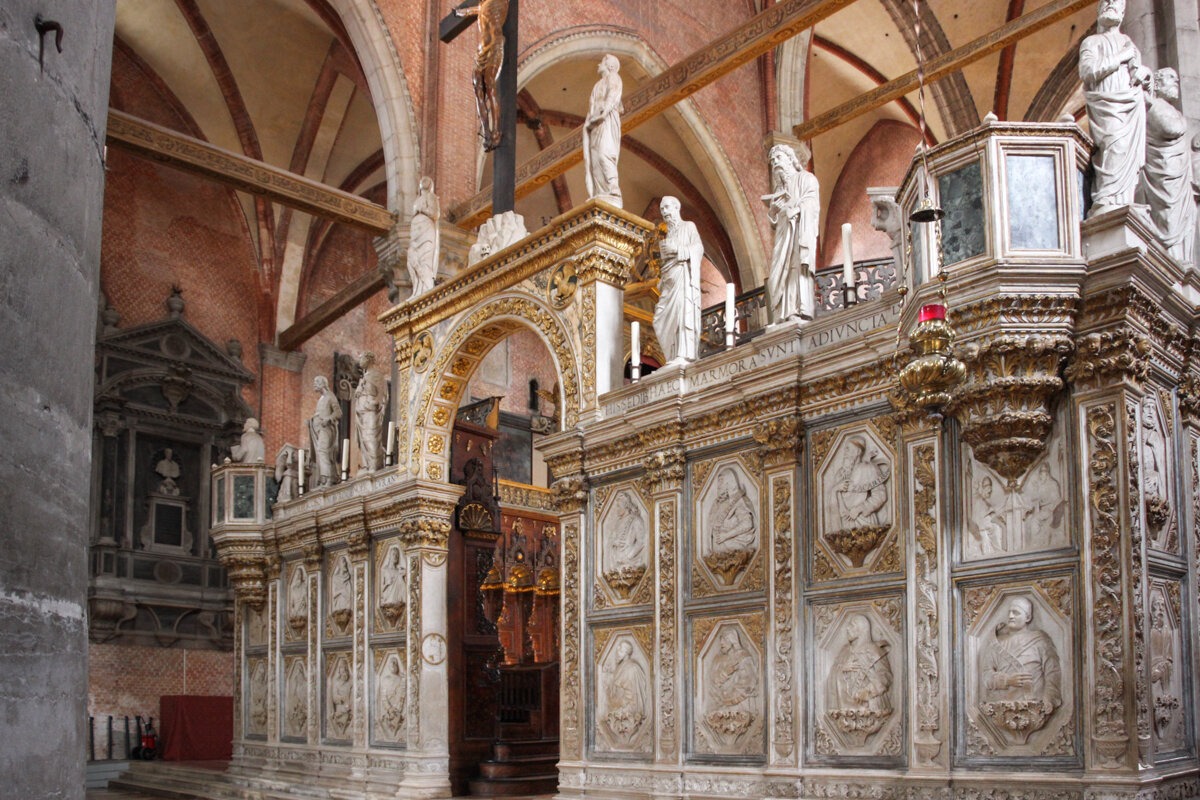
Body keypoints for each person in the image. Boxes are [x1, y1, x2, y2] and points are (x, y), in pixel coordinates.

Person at [1079, 0, 1151, 216]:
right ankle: (1107, 199)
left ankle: (1122, 200)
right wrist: (1121, 57)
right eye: (1106, 2)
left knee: (1127, 152)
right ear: (1098, 10)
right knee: (1113, 146)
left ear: (1122, 11)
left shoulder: (1129, 43)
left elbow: (1142, 79)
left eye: (1115, 2)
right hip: (1106, 102)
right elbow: (1087, 71)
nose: (1110, 4)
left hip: (1130, 104)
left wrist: (1145, 76)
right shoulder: (1091, 42)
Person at [1141, 69, 1195, 265]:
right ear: (1157, 83)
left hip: (1179, 172)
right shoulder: (1153, 106)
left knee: (1185, 216)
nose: (1177, 81)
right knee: (1168, 216)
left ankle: (1181, 258)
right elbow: (1170, 129)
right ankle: (1170, 259)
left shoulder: (1167, 108)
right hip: (1164, 169)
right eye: (1171, 78)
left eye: (1177, 78)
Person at [979, 597, 1062, 724]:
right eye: (1009, 612)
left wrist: (1049, 699)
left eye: (1016, 612)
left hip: (1035, 709)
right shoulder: (996, 645)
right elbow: (986, 675)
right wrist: (1007, 680)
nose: (1010, 616)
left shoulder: (1041, 641)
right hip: (1003, 710)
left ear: (1028, 617)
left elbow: (1052, 673)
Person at [763, 143, 820, 323]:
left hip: (798, 233)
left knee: (796, 268)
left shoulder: (806, 178)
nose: (775, 163)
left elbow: (812, 203)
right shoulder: (779, 191)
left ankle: (798, 309)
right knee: (778, 274)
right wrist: (773, 212)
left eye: (779, 158)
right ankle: (783, 312)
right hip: (784, 236)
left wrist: (794, 210)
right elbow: (774, 220)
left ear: (790, 159)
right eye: (772, 161)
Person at [653, 196, 703, 363]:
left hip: (683, 278)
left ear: (677, 208)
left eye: (667, 208)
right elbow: (666, 263)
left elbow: (698, 248)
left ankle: (682, 354)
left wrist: (677, 249)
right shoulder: (669, 233)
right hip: (669, 280)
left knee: (682, 312)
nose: (664, 212)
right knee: (658, 320)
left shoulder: (688, 227)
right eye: (662, 210)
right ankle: (671, 356)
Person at [455, 0, 509, 150]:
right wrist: (458, 13)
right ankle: (486, 132)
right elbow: (465, 12)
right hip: (481, 50)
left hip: (495, 45)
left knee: (490, 86)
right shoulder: (481, 6)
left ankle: (497, 131)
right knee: (478, 89)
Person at [829, 614, 893, 720]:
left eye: (852, 626)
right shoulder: (844, 651)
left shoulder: (874, 650)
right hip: (845, 709)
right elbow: (832, 675)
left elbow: (885, 677)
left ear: (861, 630)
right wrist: (841, 670)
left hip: (871, 706)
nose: (847, 628)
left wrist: (867, 692)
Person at [583, 54, 624, 207]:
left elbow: (613, 96)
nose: (598, 65)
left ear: (610, 66)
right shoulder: (596, 85)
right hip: (595, 125)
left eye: (601, 62)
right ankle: (600, 192)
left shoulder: (613, 77)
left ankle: (613, 189)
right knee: (595, 161)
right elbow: (592, 105)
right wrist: (590, 120)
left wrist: (604, 113)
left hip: (606, 121)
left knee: (604, 154)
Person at [833, 436, 891, 529]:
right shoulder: (840, 474)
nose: (845, 453)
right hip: (844, 523)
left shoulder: (869, 468)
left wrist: (859, 509)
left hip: (864, 522)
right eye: (845, 449)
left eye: (848, 449)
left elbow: (880, 495)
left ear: (858, 452)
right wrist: (836, 489)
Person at [602, 639, 649, 746]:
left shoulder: (632, 668)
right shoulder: (621, 667)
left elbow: (632, 695)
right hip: (619, 710)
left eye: (620, 651)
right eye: (617, 651)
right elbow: (615, 691)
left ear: (626, 653)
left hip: (628, 709)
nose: (617, 654)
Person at [708, 628, 759, 715]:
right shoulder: (719, 659)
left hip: (740, 703)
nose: (721, 643)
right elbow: (714, 680)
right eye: (721, 640)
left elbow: (749, 680)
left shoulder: (743, 656)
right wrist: (726, 673)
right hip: (723, 702)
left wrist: (732, 695)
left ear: (732, 640)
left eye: (725, 639)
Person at [707, 468, 756, 554]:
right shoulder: (720, 503)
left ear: (729, 482)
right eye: (718, 481)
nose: (718, 485)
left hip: (733, 548)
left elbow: (747, 523)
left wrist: (725, 536)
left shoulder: (739, 500)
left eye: (721, 481)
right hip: (718, 553)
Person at [354, 352, 388, 472]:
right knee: (363, 438)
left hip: (370, 410)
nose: (360, 361)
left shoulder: (376, 375)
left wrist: (375, 402)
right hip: (362, 411)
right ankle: (367, 464)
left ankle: (375, 465)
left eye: (361, 358)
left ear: (369, 359)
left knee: (370, 437)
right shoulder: (364, 376)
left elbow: (382, 393)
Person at [407, 177, 440, 296]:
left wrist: (422, 210)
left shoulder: (431, 197)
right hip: (416, 234)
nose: (424, 181)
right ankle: (417, 289)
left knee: (424, 260)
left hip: (426, 232)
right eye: (422, 180)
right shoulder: (417, 199)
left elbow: (435, 214)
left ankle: (426, 289)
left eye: (427, 180)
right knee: (412, 260)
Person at [309, 376, 341, 487]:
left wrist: (328, 419)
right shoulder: (321, 399)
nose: (314, 384)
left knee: (322, 451)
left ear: (323, 383)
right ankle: (331, 476)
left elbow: (338, 412)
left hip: (326, 428)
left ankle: (326, 479)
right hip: (318, 430)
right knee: (322, 452)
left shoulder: (330, 396)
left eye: (317, 382)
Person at [606, 492, 646, 572]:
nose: (616, 509)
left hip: (629, 562)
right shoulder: (618, 523)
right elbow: (611, 540)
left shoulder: (635, 520)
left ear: (625, 506)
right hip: (616, 562)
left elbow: (641, 542)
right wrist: (614, 543)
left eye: (618, 506)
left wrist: (628, 556)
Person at [378, 653, 406, 740]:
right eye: (391, 663)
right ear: (389, 666)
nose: (393, 665)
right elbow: (383, 697)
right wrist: (389, 709)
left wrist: (397, 709)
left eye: (395, 663)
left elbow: (402, 696)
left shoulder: (401, 680)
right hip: (388, 711)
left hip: (398, 711)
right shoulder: (385, 679)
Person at [328, 658, 352, 737]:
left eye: (346, 671)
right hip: (339, 710)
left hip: (348, 710)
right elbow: (334, 698)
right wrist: (341, 698)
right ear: (340, 673)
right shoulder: (337, 684)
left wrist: (348, 705)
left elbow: (353, 698)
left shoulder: (350, 684)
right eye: (342, 672)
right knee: (340, 726)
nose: (344, 673)